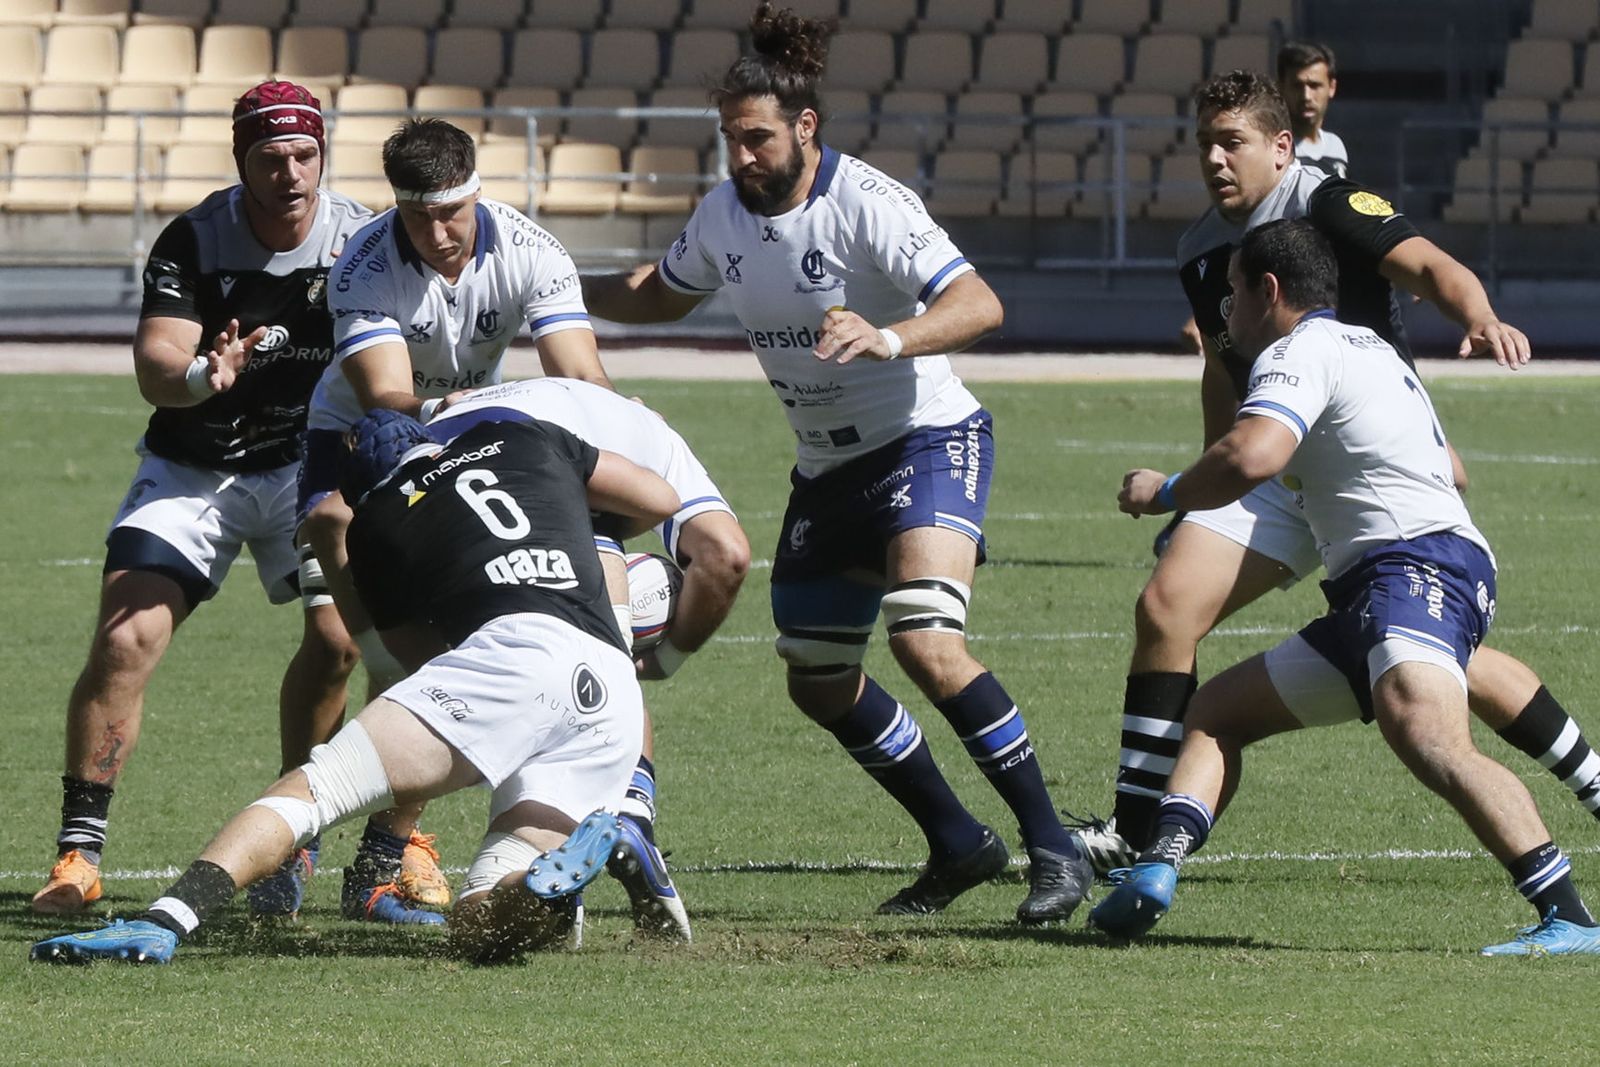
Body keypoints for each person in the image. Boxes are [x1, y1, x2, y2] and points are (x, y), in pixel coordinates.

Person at [581, 4, 1092, 924]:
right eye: (730, 139)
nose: (741, 156)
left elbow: (981, 304)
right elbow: (658, 295)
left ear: (805, 127)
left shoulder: (869, 204)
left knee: (925, 640)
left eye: (757, 138)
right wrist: (551, 287)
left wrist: (890, 335)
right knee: (816, 677)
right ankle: (958, 841)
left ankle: (1052, 847)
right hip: (826, 469)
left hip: (928, 439)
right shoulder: (723, 216)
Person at [1077, 71, 1600, 874]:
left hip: (1364, 467)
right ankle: (1136, 825)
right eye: (1205, 144)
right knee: (1167, 605)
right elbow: (1224, 372)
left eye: (1233, 142)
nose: (1216, 159)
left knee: (1437, 664)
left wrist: (1480, 316)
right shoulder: (1200, 250)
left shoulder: (1324, 201)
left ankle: (1588, 783)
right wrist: (1210, 484)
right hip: (1275, 464)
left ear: (1281, 148)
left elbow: (1427, 265)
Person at [31, 408, 682, 966]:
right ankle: (548, 875)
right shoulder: (529, 439)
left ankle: (166, 920)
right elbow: (659, 500)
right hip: (610, 685)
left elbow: (399, 661)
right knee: (486, 918)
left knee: (316, 788)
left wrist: (336, 552)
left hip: (517, 659)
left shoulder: (385, 522)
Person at [31, 82, 377, 920]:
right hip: (197, 467)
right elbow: (157, 361)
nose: (291, 173)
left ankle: (296, 836)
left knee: (339, 644)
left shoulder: (363, 239)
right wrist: (199, 376)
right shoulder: (195, 236)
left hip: (310, 465)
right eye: (271, 157)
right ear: (241, 161)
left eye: (305, 155)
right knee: (127, 636)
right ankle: (78, 856)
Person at [294, 116, 621, 924]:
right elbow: (393, 408)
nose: (439, 234)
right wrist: (490, 406)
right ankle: (298, 835)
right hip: (357, 450)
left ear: (476, 192)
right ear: (397, 209)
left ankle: (378, 864)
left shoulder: (533, 251)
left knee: (437, 653)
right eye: (419, 218)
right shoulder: (364, 267)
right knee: (337, 642)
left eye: (453, 213)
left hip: (471, 440)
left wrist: (601, 423)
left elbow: (583, 380)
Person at [426, 376, 755, 939]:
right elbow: (725, 556)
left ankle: (541, 884)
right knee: (603, 674)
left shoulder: (437, 439)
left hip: (469, 502)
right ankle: (629, 816)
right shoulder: (641, 429)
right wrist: (665, 659)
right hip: (594, 463)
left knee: (537, 673)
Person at [1278, 41, 1348, 179]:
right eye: (1297, 86)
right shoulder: (1274, 149)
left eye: (1314, 85)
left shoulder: (1335, 146)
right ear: (1281, 87)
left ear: (1332, 87)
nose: (1306, 96)